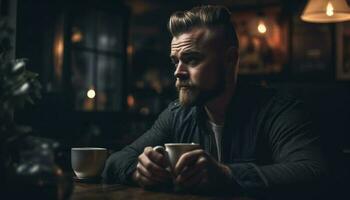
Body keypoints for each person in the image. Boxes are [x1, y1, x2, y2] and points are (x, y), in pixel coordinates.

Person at [102, 5, 326, 198]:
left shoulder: (279, 111)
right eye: (175, 61)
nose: (178, 72)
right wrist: (139, 170)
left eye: (191, 59)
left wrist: (226, 175)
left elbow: (314, 172)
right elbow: (117, 160)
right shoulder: (177, 114)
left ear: (230, 59)